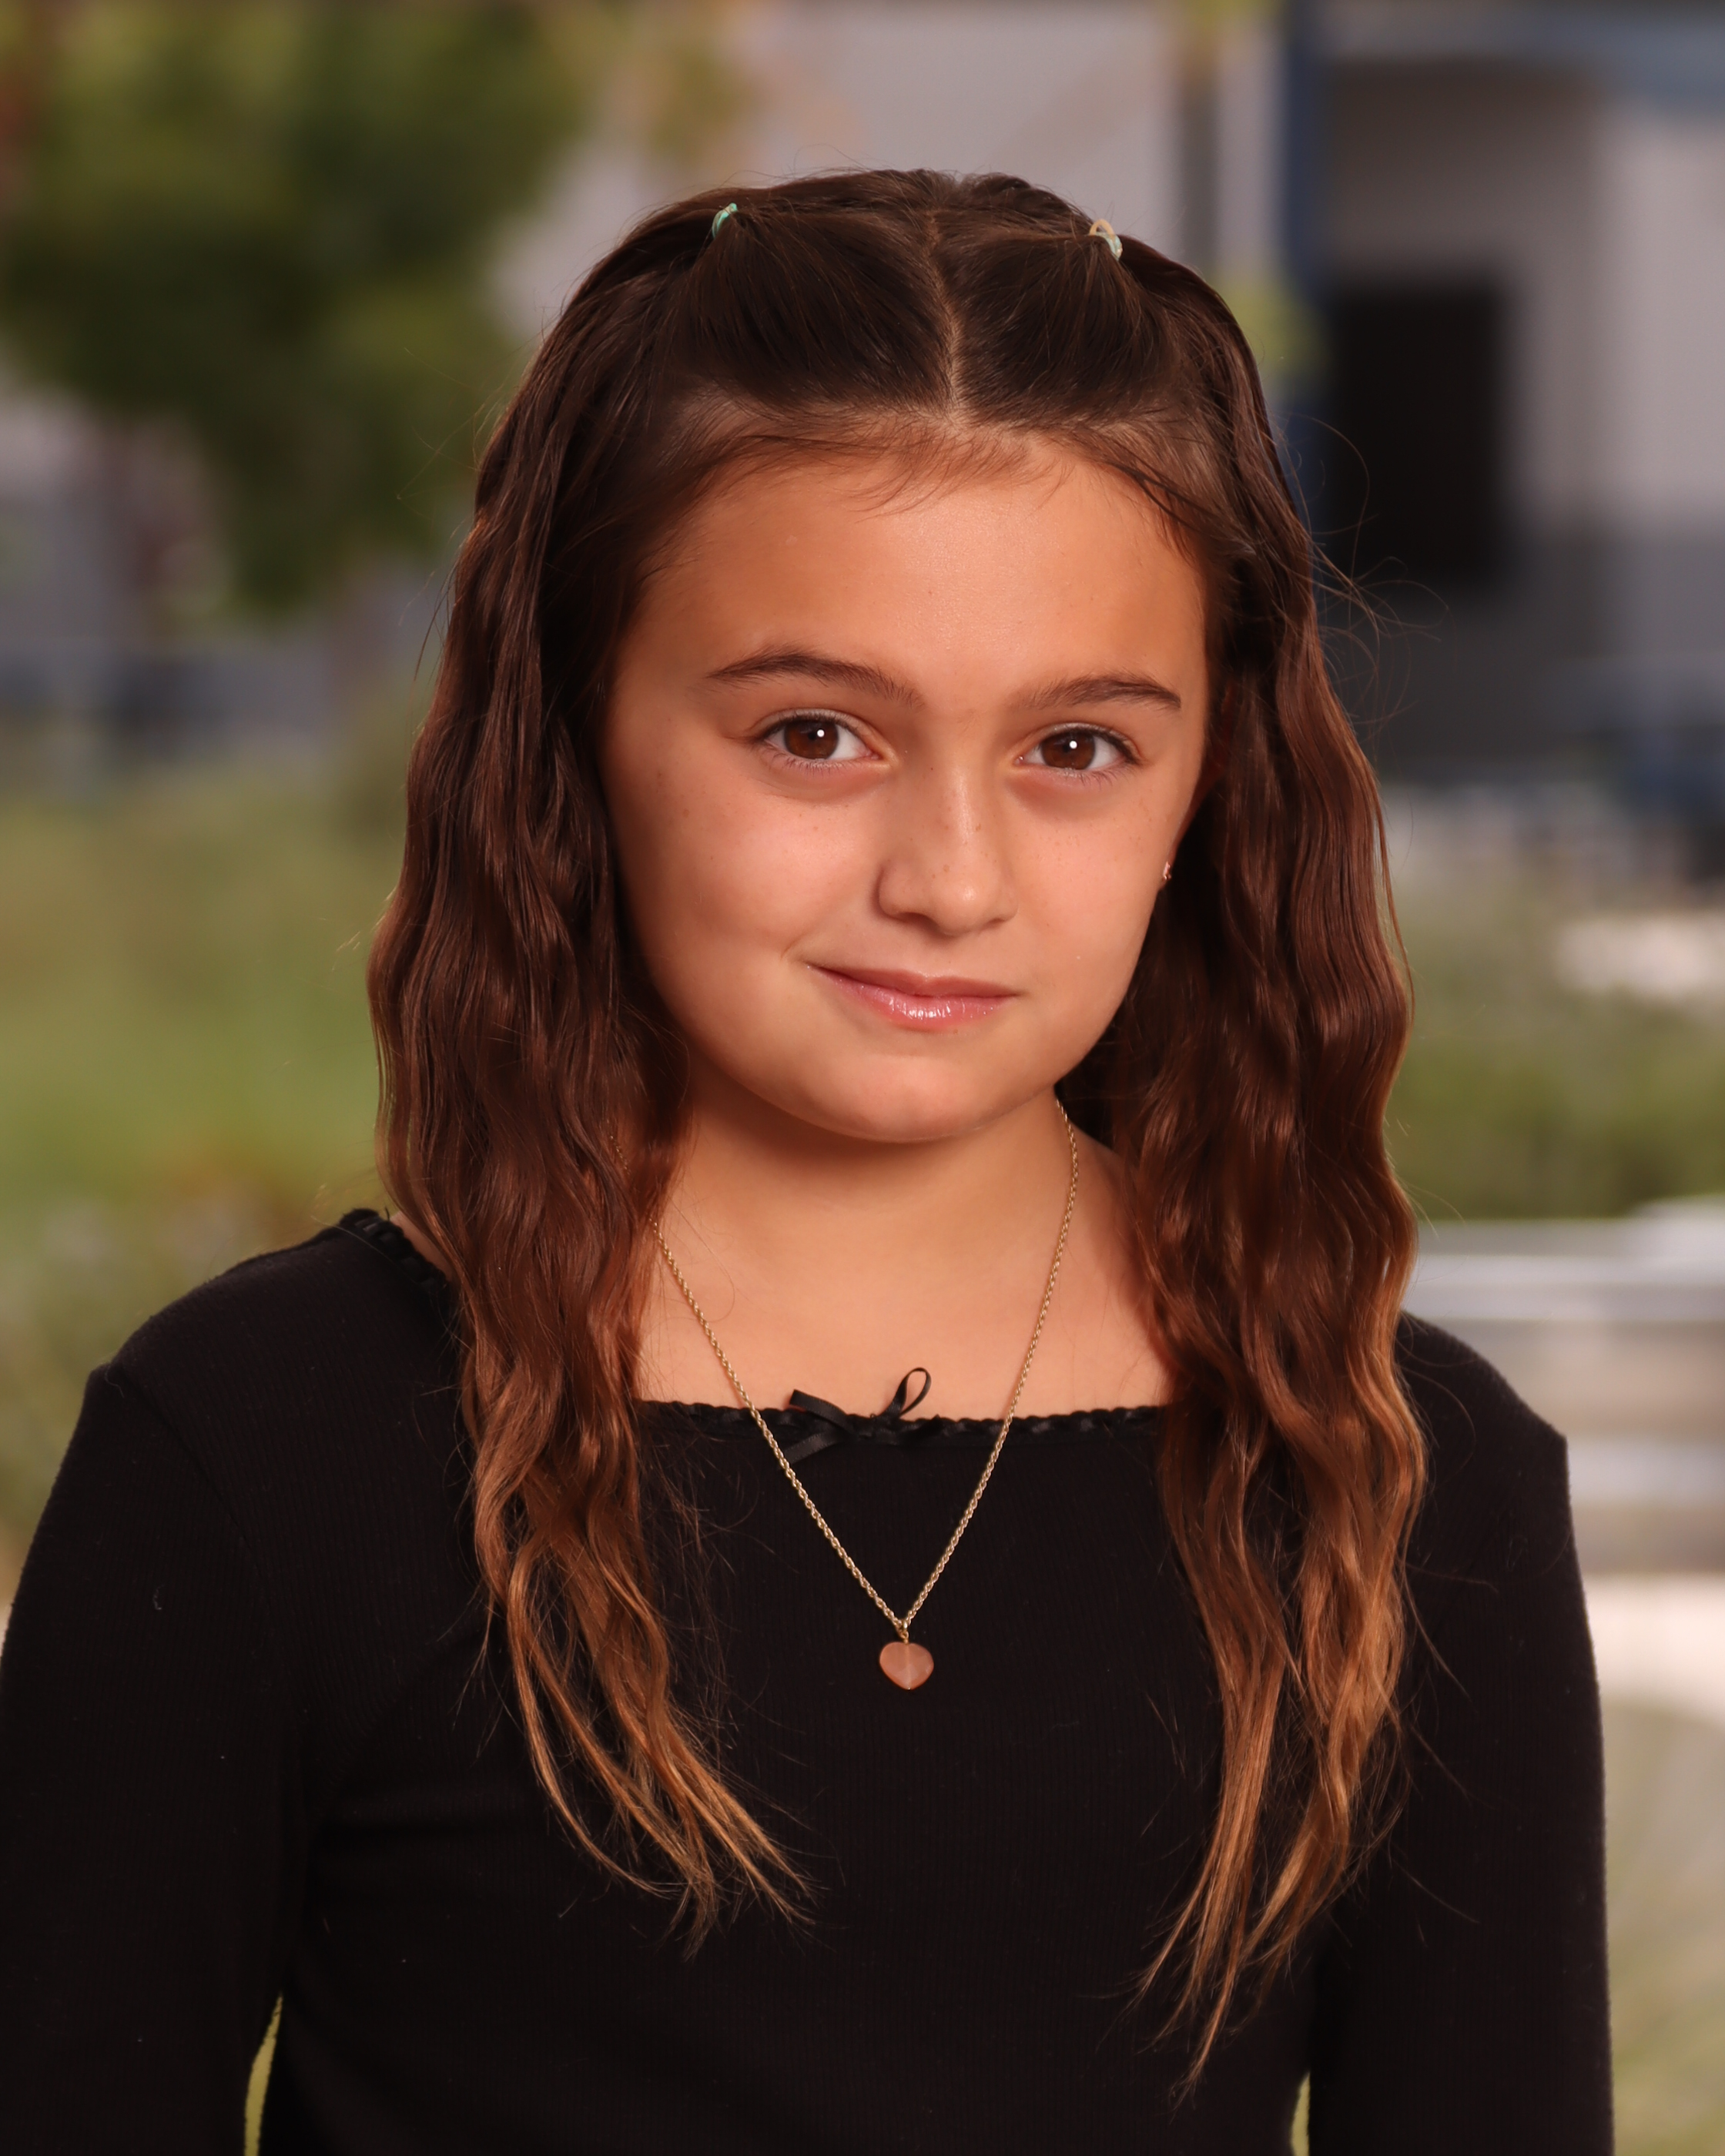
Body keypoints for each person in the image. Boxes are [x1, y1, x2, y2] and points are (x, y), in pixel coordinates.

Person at [0, 172, 1610, 2154]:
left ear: (1213, 780)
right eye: (814, 734)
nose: (949, 877)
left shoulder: (1406, 1490)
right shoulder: (261, 1449)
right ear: (575, 724)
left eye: (1077, 748)